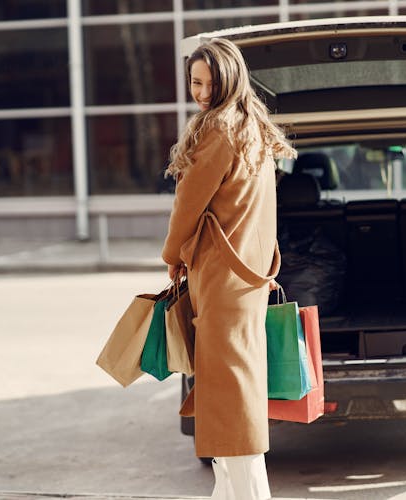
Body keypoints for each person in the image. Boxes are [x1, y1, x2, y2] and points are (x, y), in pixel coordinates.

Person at [161, 38, 296, 499]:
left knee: (231, 397)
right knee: (231, 392)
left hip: (223, 280)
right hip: (245, 278)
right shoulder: (251, 126)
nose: (200, 92)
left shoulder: (218, 129)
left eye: (208, 83)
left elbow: (188, 206)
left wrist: (171, 255)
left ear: (229, 81)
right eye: (195, 82)